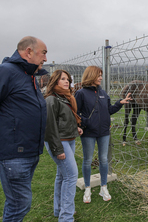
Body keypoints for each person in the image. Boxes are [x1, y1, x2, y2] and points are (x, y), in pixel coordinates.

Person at [0, 36, 48, 221]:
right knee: (20, 204)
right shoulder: (4, 72)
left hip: (28, 151)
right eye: (43, 53)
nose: (45, 58)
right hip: (13, 153)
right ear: (28, 51)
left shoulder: (29, 77)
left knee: (16, 202)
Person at [74, 65, 131, 203]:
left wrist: (119, 103)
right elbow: (76, 112)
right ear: (91, 75)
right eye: (98, 75)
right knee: (87, 160)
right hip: (88, 132)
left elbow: (109, 110)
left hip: (104, 132)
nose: (101, 77)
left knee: (104, 159)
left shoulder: (104, 93)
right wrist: (85, 123)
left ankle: (103, 187)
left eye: (101, 75)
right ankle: (87, 188)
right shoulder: (81, 93)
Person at [44, 69, 83, 221]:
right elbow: (50, 126)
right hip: (59, 142)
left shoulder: (65, 98)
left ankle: (59, 209)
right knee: (71, 176)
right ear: (54, 82)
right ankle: (66, 217)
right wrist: (57, 149)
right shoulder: (51, 100)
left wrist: (76, 127)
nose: (67, 81)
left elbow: (65, 120)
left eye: (68, 79)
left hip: (69, 139)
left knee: (62, 175)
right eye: (63, 79)